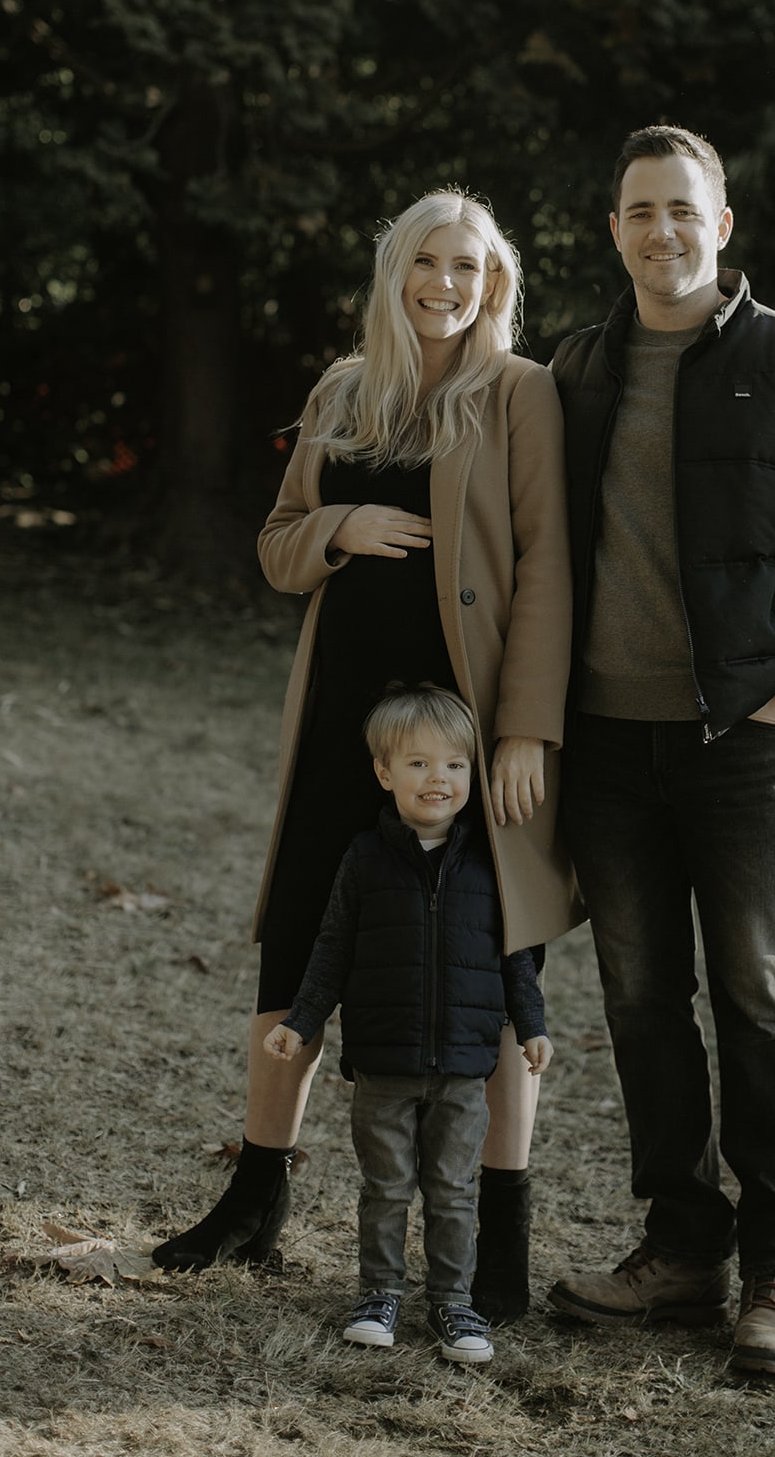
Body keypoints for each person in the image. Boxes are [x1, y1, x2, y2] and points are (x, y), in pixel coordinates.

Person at [153, 190, 582, 1323]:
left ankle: (499, 1237)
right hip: (345, 722)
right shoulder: (344, 391)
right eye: (425, 262)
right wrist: (338, 528)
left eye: (468, 265)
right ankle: (255, 1194)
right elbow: (277, 545)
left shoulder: (521, 393)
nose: (446, 283)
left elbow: (548, 561)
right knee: (296, 938)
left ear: (495, 281)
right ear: (395, 273)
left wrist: (527, 728)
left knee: (492, 962)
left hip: (471, 728)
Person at [546, 125, 775, 1377]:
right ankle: (683, 1249)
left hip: (745, 746)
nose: (663, 230)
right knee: (642, 1001)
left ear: (723, 223)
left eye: (683, 208)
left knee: (758, 998)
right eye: (640, 210)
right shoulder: (577, 366)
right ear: (615, 229)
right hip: (606, 745)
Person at [265, 683, 553, 1364]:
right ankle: (380, 1294)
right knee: (387, 1188)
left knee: (453, 1191)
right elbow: (331, 949)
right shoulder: (365, 859)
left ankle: (454, 1301)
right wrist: (301, 1020)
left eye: (453, 764)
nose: (437, 779)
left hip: (464, 1068)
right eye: (418, 764)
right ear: (384, 773)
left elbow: (516, 956)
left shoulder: (489, 863)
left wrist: (532, 1025)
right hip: (383, 1065)